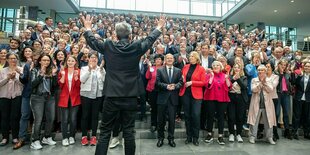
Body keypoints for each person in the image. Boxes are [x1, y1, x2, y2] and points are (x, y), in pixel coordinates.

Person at [81, 14, 166, 155]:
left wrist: (88, 28)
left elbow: (92, 42)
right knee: (128, 132)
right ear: (130, 34)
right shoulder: (137, 46)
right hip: (130, 96)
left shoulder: (108, 45)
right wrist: (158, 27)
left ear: (116, 34)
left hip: (111, 96)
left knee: (105, 132)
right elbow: (150, 40)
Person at [30, 53, 57, 150]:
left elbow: (55, 86)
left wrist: (54, 75)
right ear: (40, 61)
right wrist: (41, 74)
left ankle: (47, 137)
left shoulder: (51, 70)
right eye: (44, 60)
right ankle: (35, 140)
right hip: (37, 97)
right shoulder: (34, 70)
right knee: (38, 120)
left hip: (49, 97)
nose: (46, 62)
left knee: (51, 118)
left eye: (48, 60)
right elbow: (32, 85)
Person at [156, 53, 183, 148]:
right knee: (161, 121)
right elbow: (157, 83)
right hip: (162, 99)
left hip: (173, 99)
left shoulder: (178, 70)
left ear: (173, 59)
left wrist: (175, 86)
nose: (169, 59)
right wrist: (166, 86)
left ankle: (171, 138)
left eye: (171, 58)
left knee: (172, 120)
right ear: (165, 60)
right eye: (167, 58)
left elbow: (181, 82)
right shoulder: (159, 70)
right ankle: (160, 138)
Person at [179, 51, 206, 146]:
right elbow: (182, 78)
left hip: (197, 96)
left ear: (196, 58)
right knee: (187, 116)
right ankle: (189, 136)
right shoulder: (185, 67)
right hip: (185, 94)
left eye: (192, 56)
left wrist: (192, 82)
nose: (190, 57)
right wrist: (182, 79)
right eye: (189, 56)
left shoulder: (201, 69)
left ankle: (196, 137)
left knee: (195, 115)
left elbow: (204, 83)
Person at [80, 53, 106, 146]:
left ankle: (94, 136)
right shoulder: (84, 68)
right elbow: (82, 80)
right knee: (85, 116)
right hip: (86, 95)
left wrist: (102, 69)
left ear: (97, 60)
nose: (93, 59)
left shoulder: (101, 69)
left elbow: (104, 80)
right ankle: (84, 136)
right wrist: (89, 70)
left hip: (98, 95)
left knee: (95, 116)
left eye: (95, 58)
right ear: (88, 59)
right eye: (91, 57)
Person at [248, 65, 277, 145]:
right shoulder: (254, 80)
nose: (260, 71)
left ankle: (269, 137)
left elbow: (270, 89)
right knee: (254, 121)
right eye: (259, 70)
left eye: (262, 70)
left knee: (269, 121)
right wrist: (260, 83)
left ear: (265, 71)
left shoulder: (269, 80)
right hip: (256, 104)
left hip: (267, 104)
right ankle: (252, 137)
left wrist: (265, 83)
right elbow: (253, 89)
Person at [204, 61, 231, 145]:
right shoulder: (208, 75)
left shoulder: (224, 75)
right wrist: (211, 77)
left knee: (221, 117)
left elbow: (229, 87)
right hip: (211, 98)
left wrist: (227, 79)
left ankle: (220, 136)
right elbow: (207, 86)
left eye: (217, 65)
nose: (215, 66)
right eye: (214, 65)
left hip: (222, 99)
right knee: (210, 116)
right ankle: (209, 134)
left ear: (220, 67)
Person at [0, 53, 23, 146]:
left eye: (15, 58)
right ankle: (5, 137)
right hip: (4, 96)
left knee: (15, 117)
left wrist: (15, 79)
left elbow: (24, 84)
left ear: (17, 59)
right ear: (7, 60)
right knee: (4, 117)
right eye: (11, 58)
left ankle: (15, 137)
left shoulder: (21, 70)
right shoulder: (2, 71)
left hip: (17, 96)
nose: (13, 60)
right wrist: (7, 78)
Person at [58, 56, 81, 146]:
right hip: (64, 98)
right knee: (64, 120)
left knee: (73, 119)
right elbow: (60, 85)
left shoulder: (78, 71)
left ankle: (71, 136)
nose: (70, 62)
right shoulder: (63, 71)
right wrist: (63, 75)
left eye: (72, 61)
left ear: (75, 62)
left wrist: (76, 77)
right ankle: (64, 137)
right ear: (66, 62)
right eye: (69, 61)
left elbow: (79, 85)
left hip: (75, 98)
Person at [228, 63, 248, 143]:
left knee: (240, 117)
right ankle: (231, 133)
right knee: (231, 116)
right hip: (231, 98)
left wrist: (238, 79)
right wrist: (233, 79)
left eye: (238, 67)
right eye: (235, 67)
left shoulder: (244, 77)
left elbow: (244, 87)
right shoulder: (229, 77)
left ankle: (239, 134)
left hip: (241, 98)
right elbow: (227, 85)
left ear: (241, 69)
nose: (236, 69)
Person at [145, 54, 164, 132]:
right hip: (152, 90)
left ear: (162, 61)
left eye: (159, 59)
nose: (158, 61)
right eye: (156, 59)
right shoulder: (152, 68)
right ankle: (153, 125)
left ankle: (162, 125)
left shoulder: (164, 68)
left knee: (162, 109)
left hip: (162, 91)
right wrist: (149, 68)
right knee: (154, 108)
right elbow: (147, 77)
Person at [292, 61, 310, 140]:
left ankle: (307, 132)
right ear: (303, 67)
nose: (307, 68)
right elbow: (294, 82)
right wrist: (299, 76)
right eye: (306, 66)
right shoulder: (299, 75)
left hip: (308, 99)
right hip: (298, 98)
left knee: (307, 116)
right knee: (297, 116)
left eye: (309, 67)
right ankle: (294, 132)